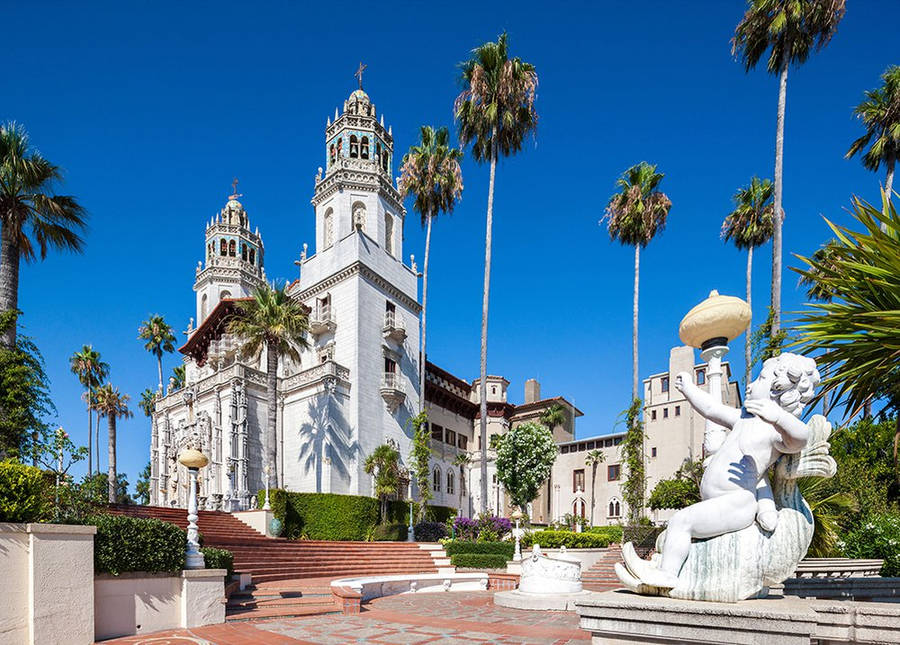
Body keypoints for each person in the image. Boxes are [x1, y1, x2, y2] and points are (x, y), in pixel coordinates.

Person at [624, 353, 819, 589]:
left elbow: (800, 438)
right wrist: (688, 389)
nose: (751, 385)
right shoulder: (742, 418)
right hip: (720, 500)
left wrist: (778, 417)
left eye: (760, 380)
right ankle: (657, 571)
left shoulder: (774, 432)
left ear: (779, 391)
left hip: (738, 501)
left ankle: (667, 575)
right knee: (683, 523)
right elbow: (711, 408)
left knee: (681, 521)